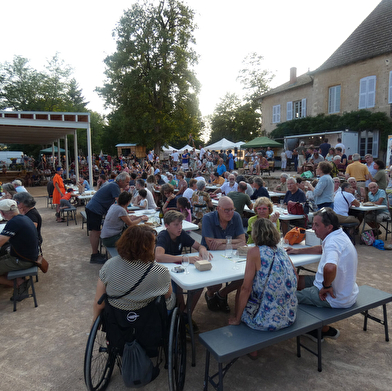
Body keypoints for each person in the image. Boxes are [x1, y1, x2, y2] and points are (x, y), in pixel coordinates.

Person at [287, 208, 359, 341]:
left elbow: (330, 268)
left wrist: (326, 286)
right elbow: (322, 249)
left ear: (329, 227)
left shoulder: (332, 242)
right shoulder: (338, 235)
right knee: (293, 281)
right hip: (346, 289)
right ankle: (321, 328)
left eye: (316, 225)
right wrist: (297, 251)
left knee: (287, 297)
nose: (313, 228)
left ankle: (317, 329)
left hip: (335, 296)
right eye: (313, 224)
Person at [229, 219, 297, 352]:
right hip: (289, 315)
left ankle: (252, 348)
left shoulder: (255, 252)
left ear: (255, 234)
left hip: (265, 320)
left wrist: (237, 318)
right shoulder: (281, 250)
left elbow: (246, 288)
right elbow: (296, 275)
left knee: (243, 290)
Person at [92, 225, 174, 325]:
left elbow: (99, 303)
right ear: (149, 247)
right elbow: (167, 297)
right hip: (148, 322)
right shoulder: (160, 271)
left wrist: (94, 321)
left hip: (117, 321)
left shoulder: (109, 265)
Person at [155, 210, 211, 317]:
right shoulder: (163, 236)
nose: (179, 227)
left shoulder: (182, 234)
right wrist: (185, 258)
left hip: (179, 270)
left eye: (181, 224)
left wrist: (202, 249)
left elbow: (198, 246)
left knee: (199, 285)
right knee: (176, 291)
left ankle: (186, 314)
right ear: (167, 226)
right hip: (164, 274)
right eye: (176, 224)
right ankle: (180, 316)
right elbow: (159, 257)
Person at [202, 197, 246, 312]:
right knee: (216, 285)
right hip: (211, 257)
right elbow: (211, 246)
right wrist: (235, 242)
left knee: (244, 276)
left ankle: (221, 295)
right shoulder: (208, 218)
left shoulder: (235, 216)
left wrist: (221, 241)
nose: (230, 212)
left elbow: (243, 241)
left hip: (231, 256)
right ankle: (210, 294)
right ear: (218, 209)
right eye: (226, 210)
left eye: (232, 209)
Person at [86, 172, 130, 264]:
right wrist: (126, 214)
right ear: (120, 181)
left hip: (94, 208)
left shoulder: (114, 185)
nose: (127, 184)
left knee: (95, 231)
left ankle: (95, 253)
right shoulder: (115, 187)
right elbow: (120, 203)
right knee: (95, 231)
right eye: (126, 182)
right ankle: (94, 255)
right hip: (94, 209)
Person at [0, 199, 39, 298]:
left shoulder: (14, 222)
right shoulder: (23, 218)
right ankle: (16, 280)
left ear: (2, 213)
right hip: (29, 256)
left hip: (24, 260)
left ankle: (18, 283)